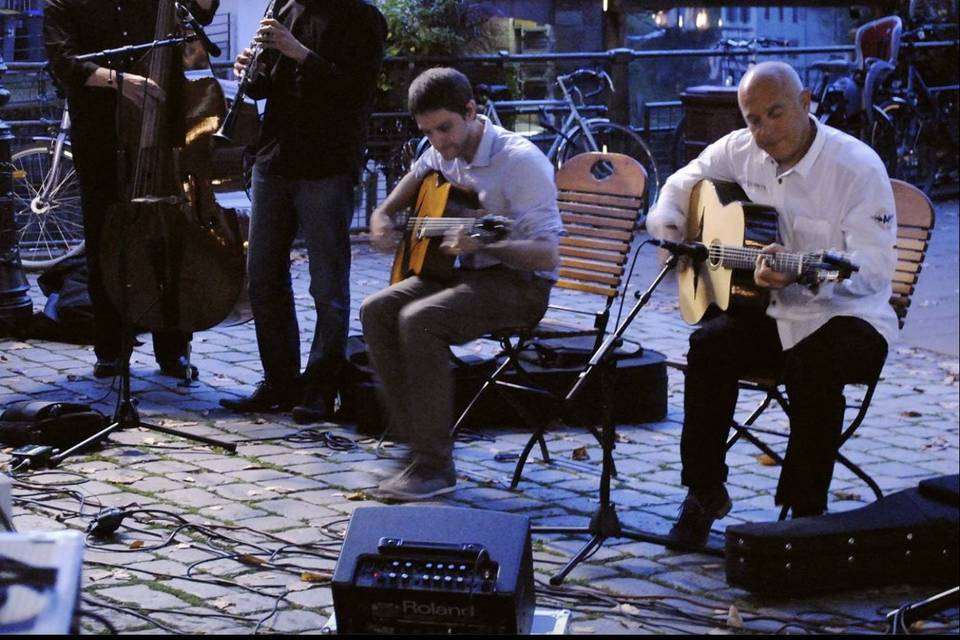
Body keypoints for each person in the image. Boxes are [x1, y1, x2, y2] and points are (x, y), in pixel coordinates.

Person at [647, 62, 898, 548]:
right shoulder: (741, 151)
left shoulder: (856, 167)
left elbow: (873, 271)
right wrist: (670, 228)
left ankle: (803, 513)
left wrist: (803, 268)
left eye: (776, 114)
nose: (763, 131)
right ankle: (704, 492)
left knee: (813, 365)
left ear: (806, 103)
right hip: (774, 312)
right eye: (753, 119)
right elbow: (679, 186)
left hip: (853, 317)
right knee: (708, 346)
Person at [361, 67, 564, 501]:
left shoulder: (520, 161)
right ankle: (415, 441)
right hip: (460, 275)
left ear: (472, 111)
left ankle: (434, 467)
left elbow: (547, 255)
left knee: (421, 320)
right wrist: (381, 217)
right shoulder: (441, 152)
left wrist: (492, 243)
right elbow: (404, 191)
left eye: (446, 128)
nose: (439, 142)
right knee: (376, 310)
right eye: (428, 132)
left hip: (520, 284)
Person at [218, 0, 386, 423]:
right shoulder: (286, 7)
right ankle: (280, 380)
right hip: (275, 157)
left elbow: (355, 91)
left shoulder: (361, 18)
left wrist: (298, 52)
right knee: (262, 275)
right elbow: (264, 88)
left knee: (326, 284)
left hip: (327, 162)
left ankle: (320, 387)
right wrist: (250, 70)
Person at [44, 0, 219, 379]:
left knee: (168, 240)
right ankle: (110, 349)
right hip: (100, 134)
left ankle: (173, 349)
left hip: (162, 132)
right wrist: (119, 81)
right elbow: (63, 62)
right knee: (104, 238)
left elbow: (202, 12)